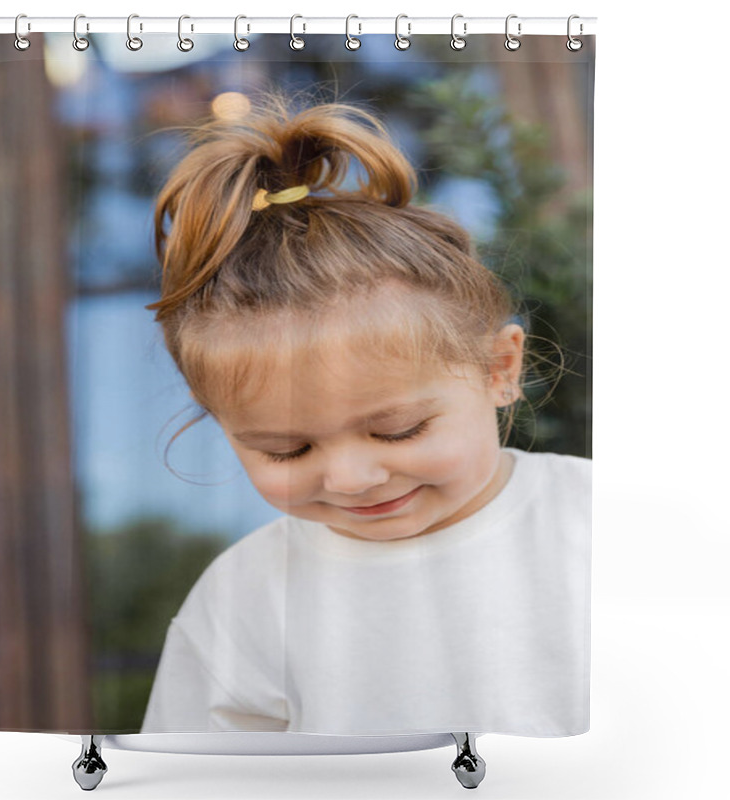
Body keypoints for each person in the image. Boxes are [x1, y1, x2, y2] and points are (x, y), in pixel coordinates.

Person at [140, 90, 591, 737]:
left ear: (500, 368)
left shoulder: (600, 523)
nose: (352, 477)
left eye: (398, 430)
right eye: (287, 451)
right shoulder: (245, 600)